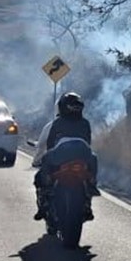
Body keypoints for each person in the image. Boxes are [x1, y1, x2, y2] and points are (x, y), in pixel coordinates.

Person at [32, 92, 99, 220]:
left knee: (44, 164)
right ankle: (91, 189)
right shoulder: (85, 123)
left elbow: (50, 143)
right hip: (82, 153)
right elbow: (88, 142)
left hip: (61, 154)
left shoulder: (58, 122)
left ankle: (45, 194)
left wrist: (47, 159)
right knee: (94, 159)